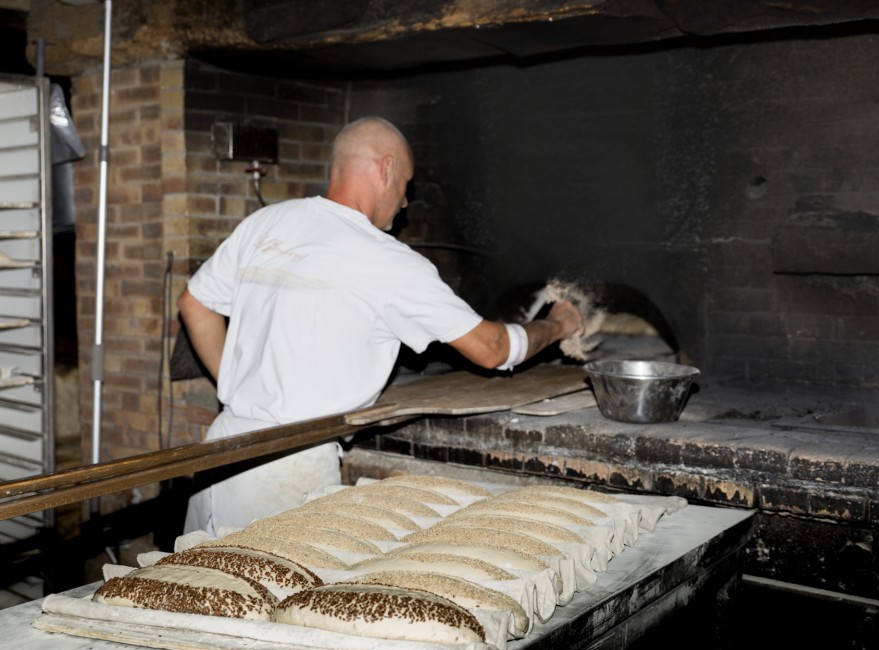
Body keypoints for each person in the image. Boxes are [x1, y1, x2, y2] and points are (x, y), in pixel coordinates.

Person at [179, 116, 584, 535]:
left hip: (220, 452)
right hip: (284, 472)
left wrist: (233, 385)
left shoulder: (266, 223)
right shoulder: (387, 260)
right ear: (386, 169)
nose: (404, 202)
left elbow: (193, 304)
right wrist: (558, 324)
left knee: (187, 592)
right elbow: (493, 347)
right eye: (406, 185)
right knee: (277, 597)